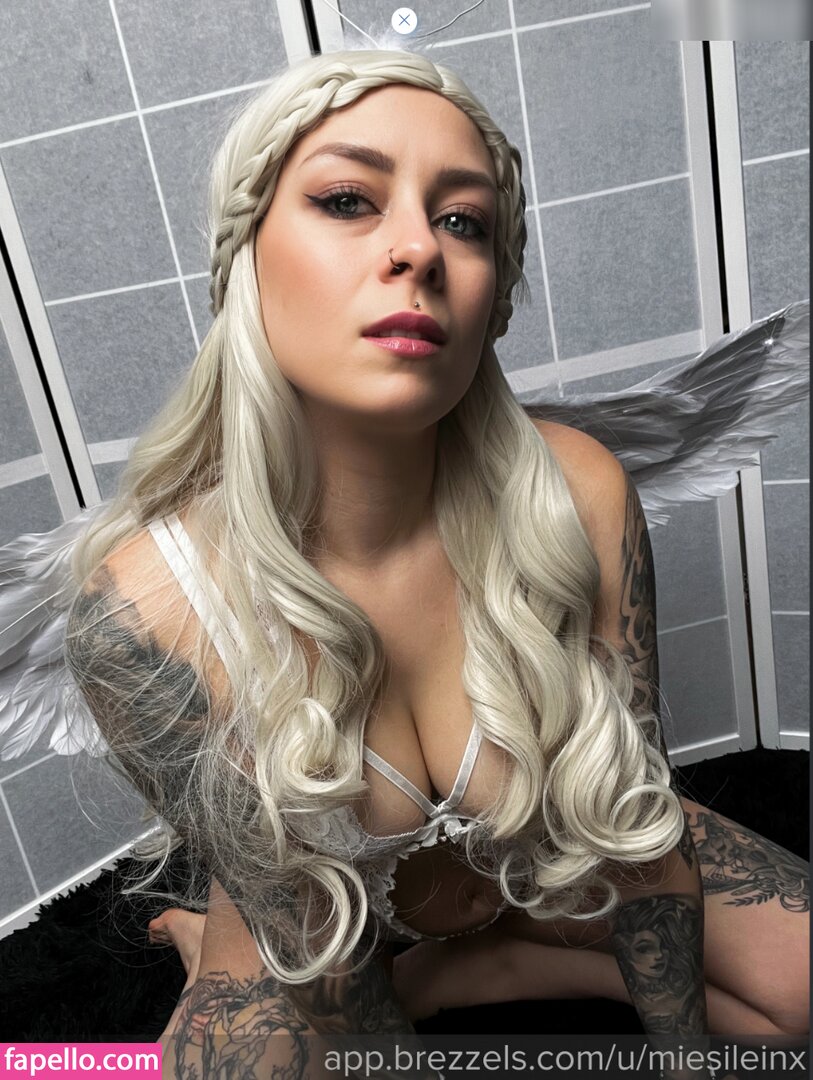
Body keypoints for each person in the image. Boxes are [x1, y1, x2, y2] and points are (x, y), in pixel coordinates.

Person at [62, 49, 808, 1077]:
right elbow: (331, 979)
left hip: (530, 866)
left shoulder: (575, 490)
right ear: (246, 258)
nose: (417, 247)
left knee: (796, 1003)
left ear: (493, 298)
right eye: (346, 200)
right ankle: (215, 948)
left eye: (463, 221)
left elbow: (636, 839)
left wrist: (686, 1064)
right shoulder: (146, 614)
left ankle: (491, 965)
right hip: (330, 930)